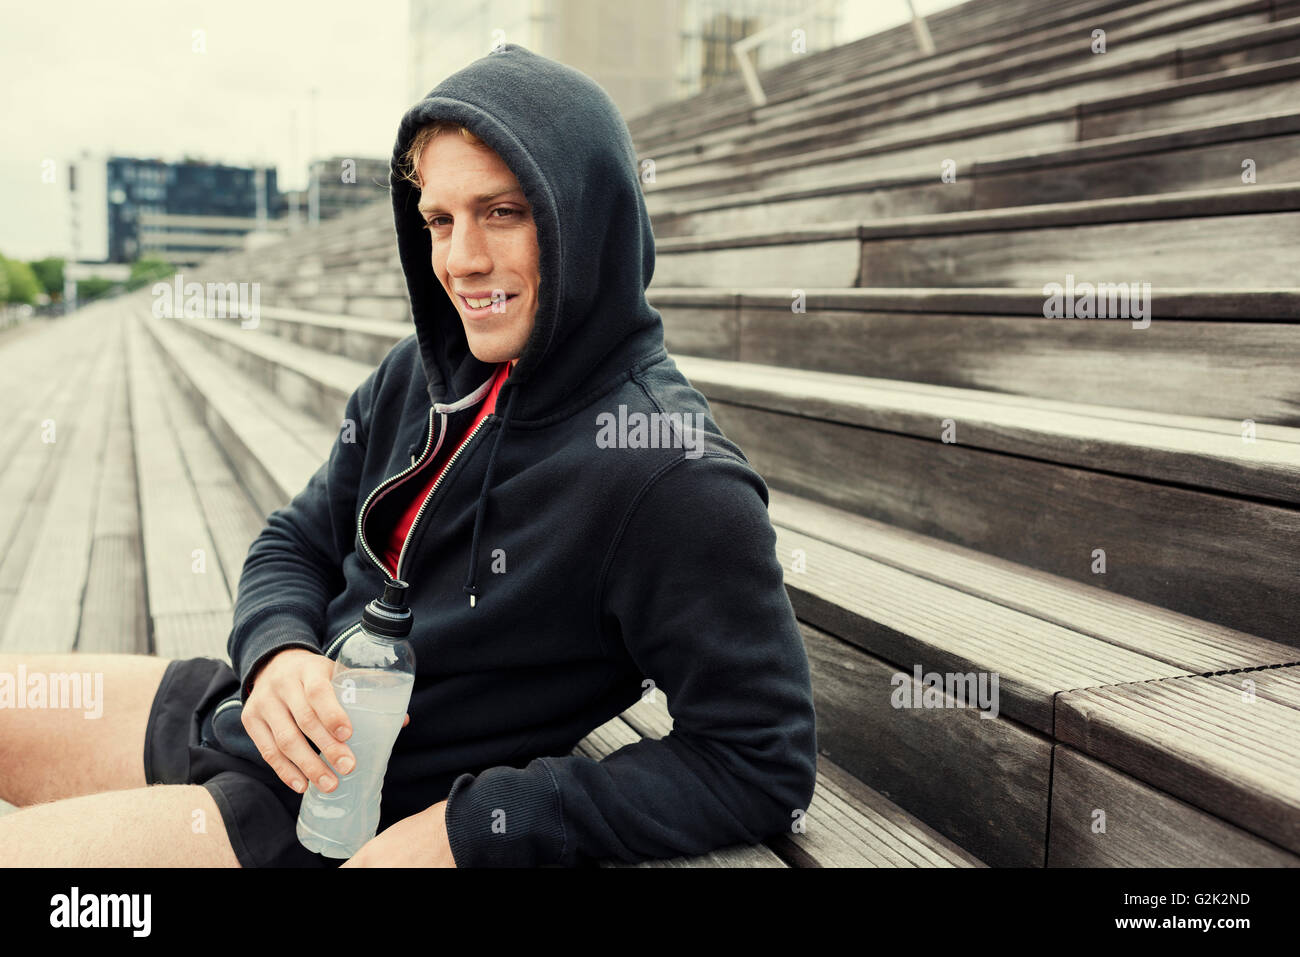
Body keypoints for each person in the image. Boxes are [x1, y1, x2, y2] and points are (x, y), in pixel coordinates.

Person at [0, 44, 816, 868]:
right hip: (244, 710)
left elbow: (761, 758)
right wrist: (276, 650)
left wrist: (474, 825)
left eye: (502, 211)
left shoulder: (668, 473)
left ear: (583, 212)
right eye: (439, 220)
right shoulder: (422, 372)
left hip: (313, 817)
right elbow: (297, 539)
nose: (461, 259)